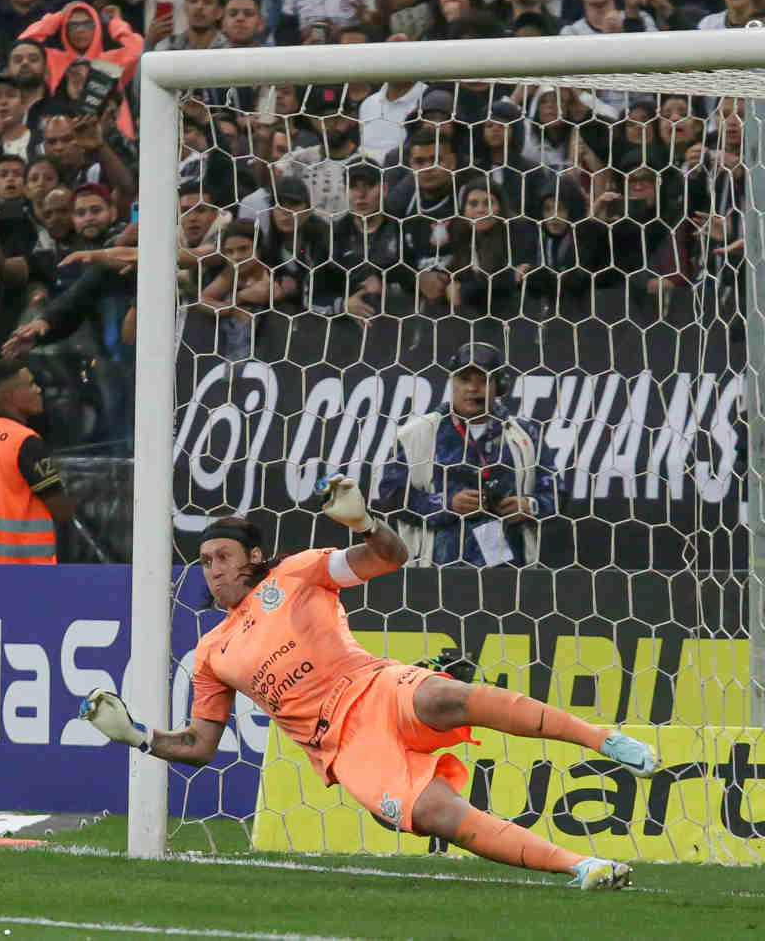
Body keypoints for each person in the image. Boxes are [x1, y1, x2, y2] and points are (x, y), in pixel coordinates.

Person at [78, 478, 657, 890]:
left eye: (223, 556)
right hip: (344, 748)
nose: (214, 570)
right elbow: (202, 746)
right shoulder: (212, 653)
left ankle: (603, 740)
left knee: (446, 695)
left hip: (375, 685)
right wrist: (137, 735)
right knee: (438, 816)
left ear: (253, 556)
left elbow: (390, 558)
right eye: (205, 561)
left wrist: (362, 522)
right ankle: (580, 867)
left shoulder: (297, 573)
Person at [374, 341, 559, 567]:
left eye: (483, 380)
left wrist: (529, 506)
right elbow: (391, 495)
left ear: (499, 385)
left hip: (509, 573)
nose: (472, 388)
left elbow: (557, 494)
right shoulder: (416, 434)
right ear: (453, 382)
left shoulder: (525, 435)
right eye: (464, 379)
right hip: (434, 571)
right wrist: (447, 504)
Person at [0, 358, 75, 563]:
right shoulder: (25, 442)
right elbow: (62, 510)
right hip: (23, 573)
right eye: (31, 384)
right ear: (10, 397)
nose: (38, 390)